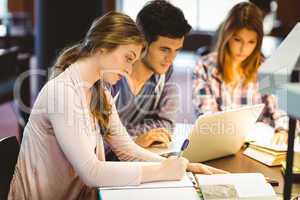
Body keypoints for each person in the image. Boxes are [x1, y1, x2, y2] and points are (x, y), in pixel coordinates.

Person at [8, 12, 225, 200]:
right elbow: (91, 172)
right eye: (128, 58)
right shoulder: (62, 92)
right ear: (102, 48)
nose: (130, 69)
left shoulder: (99, 91)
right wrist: (162, 171)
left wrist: (182, 165)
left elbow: (126, 149)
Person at [192, 2, 288, 144]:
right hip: (220, 144)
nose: (243, 49)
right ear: (227, 36)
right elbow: (207, 115)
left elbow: (283, 109)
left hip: (258, 146)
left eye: (251, 42)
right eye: (238, 40)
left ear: (258, 42)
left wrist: (282, 130)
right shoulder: (204, 66)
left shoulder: (267, 67)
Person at [111, 0, 191, 148]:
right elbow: (94, 139)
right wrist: (135, 141)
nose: (171, 59)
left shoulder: (166, 72)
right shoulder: (112, 76)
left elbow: (166, 125)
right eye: (164, 49)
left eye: (177, 50)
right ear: (143, 42)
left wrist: (131, 138)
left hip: (136, 158)